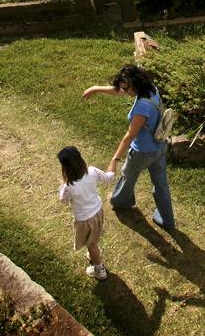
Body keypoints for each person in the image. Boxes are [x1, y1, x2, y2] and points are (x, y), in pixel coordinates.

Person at [83, 64, 175, 229]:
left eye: (127, 88)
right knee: (161, 184)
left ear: (135, 85)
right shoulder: (151, 89)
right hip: (160, 147)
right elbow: (118, 90)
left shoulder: (141, 107)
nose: (125, 92)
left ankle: (121, 202)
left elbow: (130, 136)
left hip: (142, 152)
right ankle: (167, 219)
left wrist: (115, 159)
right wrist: (95, 88)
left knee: (127, 176)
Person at [57, 146, 115, 280]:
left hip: (84, 220)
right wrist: (114, 161)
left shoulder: (68, 187)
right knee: (93, 239)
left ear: (66, 168)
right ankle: (94, 253)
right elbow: (108, 178)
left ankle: (100, 270)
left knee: (91, 245)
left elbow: (63, 200)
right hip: (98, 212)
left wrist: (62, 184)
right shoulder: (92, 171)